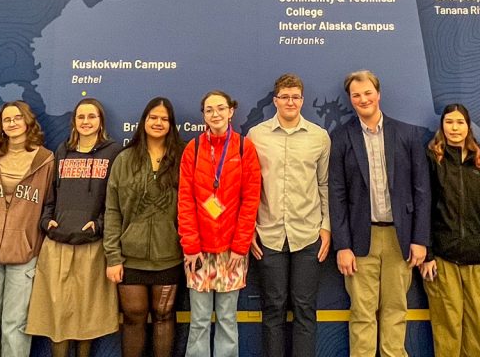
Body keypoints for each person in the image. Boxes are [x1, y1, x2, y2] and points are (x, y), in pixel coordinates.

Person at [328, 70, 431, 357]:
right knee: (362, 313)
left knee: (396, 309)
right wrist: (343, 246)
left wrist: (420, 239)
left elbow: (421, 190)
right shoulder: (341, 137)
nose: (363, 99)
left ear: (378, 94)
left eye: (367, 93)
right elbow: (336, 195)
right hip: (361, 240)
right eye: (356, 95)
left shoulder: (408, 134)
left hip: (401, 239)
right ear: (350, 100)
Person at [27, 98, 121, 356]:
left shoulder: (113, 152)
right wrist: (47, 221)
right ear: (74, 121)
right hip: (57, 244)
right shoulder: (62, 151)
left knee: (86, 317)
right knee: (57, 315)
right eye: (81, 117)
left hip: (91, 245)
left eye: (92, 116)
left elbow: (116, 199)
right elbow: (51, 194)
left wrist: (99, 225)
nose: (86, 122)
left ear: (100, 121)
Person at [247, 73, 331, 357]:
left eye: (295, 97)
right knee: (273, 308)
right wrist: (249, 230)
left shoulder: (319, 137)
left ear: (302, 100)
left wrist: (327, 228)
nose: (290, 102)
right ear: (275, 101)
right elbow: (248, 186)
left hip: (307, 235)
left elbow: (324, 184)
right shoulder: (256, 136)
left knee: (305, 309)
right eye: (284, 97)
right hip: (268, 235)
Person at [178, 90, 262, 357]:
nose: (216, 114)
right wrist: (190, 247)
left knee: (227, 320)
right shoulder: (192, 149)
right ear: (203, 115)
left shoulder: (243, 147)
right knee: (199, 321)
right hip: (198, 251)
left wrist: (240, 246)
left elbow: (251, 200)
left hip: (232, 251)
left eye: (220, 108)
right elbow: (185, 201)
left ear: (231, 112)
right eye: (210, 110)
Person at [0, 101, 55, 357]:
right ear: (1, 126)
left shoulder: (45, 160)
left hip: (24, 254)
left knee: (14, 325)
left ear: (28, 122)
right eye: (7, 119)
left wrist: (35, 244)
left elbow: (50, 204)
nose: (12, 123)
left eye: (18, 117)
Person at [105, 97, 185, 357]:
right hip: (130, 258)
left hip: (170, 256)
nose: (158, 123)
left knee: (164, 315)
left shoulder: (183, 158)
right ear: (143, 122)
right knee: (133, 316)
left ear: (171, 124)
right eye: (153, 117)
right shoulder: (124, 159)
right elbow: (112, 210)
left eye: (164, 119)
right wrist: (113, 257)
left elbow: (197, 204)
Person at [420, 104, 480, 357]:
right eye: (449, 122)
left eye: (460, 122)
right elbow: (425, 208)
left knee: (478, 326)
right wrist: (428, 254)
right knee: (448, 326)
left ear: (468, 126)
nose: (455, 128)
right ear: (442, 126)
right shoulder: (432, 159)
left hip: (476, 258)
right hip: (443, 258)